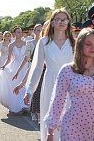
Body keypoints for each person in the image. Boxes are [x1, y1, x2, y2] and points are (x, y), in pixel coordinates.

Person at [20, 8, 75, 141]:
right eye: (58, 19)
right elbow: (38, 68)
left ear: (68, 22)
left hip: (71, 84)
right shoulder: (44, 42)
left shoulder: (74, 42)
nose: (62, 22)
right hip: (50, 82)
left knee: (69, 118)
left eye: (64, 19)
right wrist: (29, 90)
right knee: (51, 118)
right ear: (52, 22)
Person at [45, 28, 94, 141]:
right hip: (72, 128)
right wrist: (50, 133)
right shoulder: (68, 70)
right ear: (80, 45)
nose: (93, 47)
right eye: (88, 44)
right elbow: (58, 101)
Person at [0, 27, 29, 114]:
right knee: (15, 84)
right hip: (15, 65)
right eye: (18, 32)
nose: (20, 34)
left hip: (25, 65)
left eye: (21, 32)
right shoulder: (11, 45)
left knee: (25, 84)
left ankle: (25, 105)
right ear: (14, 34)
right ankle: (17, 105)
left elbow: (28, 56)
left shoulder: (27, 43)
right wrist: (4, 66)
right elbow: (9, 59)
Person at [13, 24, 42, 121]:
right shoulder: (29, 43)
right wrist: (18, 71)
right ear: (34, 32)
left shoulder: (46, 43)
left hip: (45, 70)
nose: (39, 32)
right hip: (33, 67)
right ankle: (36, 112)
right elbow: (26, 58)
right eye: (38, 30)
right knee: (35, 90)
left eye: (41, 30)